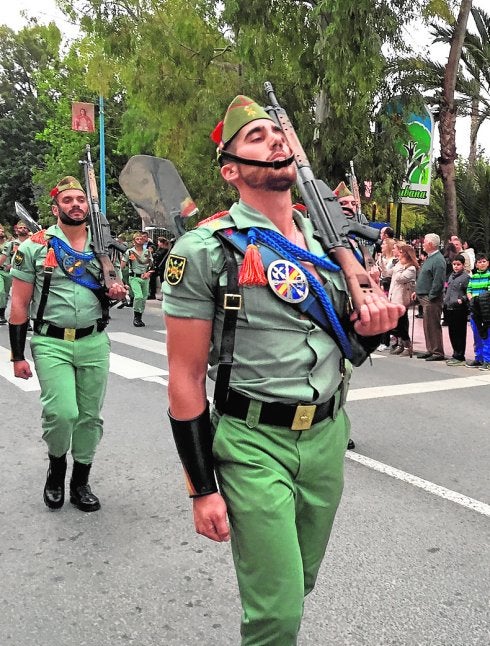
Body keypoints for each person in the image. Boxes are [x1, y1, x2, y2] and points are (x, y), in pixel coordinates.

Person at [162, 95, 403, 645]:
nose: (273, 139)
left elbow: (350, 342)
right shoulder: (207, 249)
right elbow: (184, 376)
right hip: (252, 442)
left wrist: (377, 325)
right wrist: (202, 487)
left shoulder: (332, 243)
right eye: (255, 137)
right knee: (276, 612)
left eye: (277, 133)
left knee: (299, 583)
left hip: (327, 437)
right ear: (230, 169)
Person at [8, 176, 127, 512]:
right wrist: (17, 356)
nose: (76, 205)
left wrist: (118, 291)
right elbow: (19, 305)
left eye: (80, 199)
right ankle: (56, 468)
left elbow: (114, 289)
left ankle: (80, 481)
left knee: (89, 417)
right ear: (55, 208)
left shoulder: (104, 247)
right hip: (51, 342)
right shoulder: (35, 247)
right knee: (62, 413)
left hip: (94, 340)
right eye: (68, 200)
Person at [413, 233, 446, 361]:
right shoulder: (431, 258)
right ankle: (430, 349)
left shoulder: (438, 260)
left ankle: (437, 351)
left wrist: (431, 295)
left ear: (431, 244)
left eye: (425, 242)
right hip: (424, 296)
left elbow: (438, 281)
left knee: (433, 325)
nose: (423, 244)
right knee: (427, 325)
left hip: (431, 298)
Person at [388, 244, 418, 356]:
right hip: (394, 296)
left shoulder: (411, 268)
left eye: (401, 253)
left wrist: (399, 266)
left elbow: (399, 278)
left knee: (402, 323)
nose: (399, 255)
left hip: (402, 299)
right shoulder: (399, 265)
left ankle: (407, 345)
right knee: (397, 324)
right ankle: (400, 344)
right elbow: (388, 273)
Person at [120, 231, 153, 326]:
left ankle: (139, 317)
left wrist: (148, 273)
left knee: (144, 298)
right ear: (133, 241)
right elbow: (121, 266)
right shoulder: (130, 252)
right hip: (134, 277)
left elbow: (152, 266)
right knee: (138, 296)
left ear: (144, 241)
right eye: (137, 239)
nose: (139, 240)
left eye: (141, 239)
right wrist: (121, 280)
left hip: (145, 278)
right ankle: (136, 318)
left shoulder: (148, 252)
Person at [0, 222, 30, 324]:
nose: (23, 229)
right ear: (16, 230)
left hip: (28, 274)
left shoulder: (33, 244)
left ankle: (26, 320)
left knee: (27, 298)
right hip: (11, 273)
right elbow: (4, 258)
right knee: (5, 293)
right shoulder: (12, 244)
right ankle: (3, 315)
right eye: (20, 227)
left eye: (25, 227)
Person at [443, 254, 470, 366]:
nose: (456, 266)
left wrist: (462, 299)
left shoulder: (465, 277)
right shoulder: (451, 276)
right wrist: (445, 300)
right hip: (449, 307)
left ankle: (460, 355)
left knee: (460, 332)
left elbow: (468, 291)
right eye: (454, 264)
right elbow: (447, 289)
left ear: (463, 265)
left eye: (458, 264)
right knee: (452, 332)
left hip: (459, 308)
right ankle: (455, 353)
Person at [466, 252, 490, 370]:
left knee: (486, 335)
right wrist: (472, 300)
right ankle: (478, 358)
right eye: (479, 262)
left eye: (484, 261)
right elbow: (469, 290)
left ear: (488, 263)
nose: (482, 264)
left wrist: (479, 301)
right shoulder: (473, 277)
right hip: (475, 311)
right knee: (477, 335)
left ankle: (487, 360)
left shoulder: (489, 276)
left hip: (485, 311)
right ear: (476, 264)